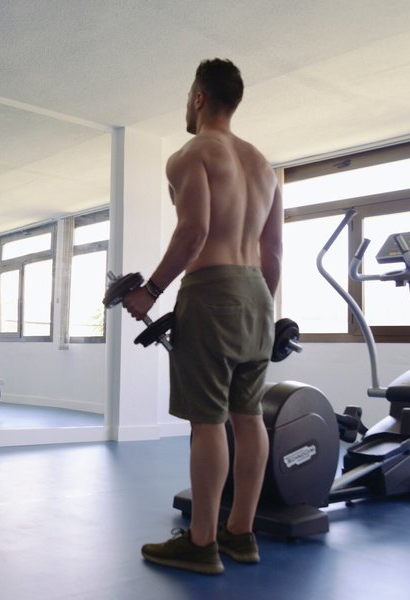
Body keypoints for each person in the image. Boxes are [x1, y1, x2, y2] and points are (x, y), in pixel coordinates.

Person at [123, 59, 282, 575]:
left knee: (208, 420)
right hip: (258, 295)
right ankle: (242, 534)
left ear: (198, 98)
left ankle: (201, 543)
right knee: (249, 416)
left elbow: (194, 231)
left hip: (212, 290)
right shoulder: (264, 166)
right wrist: (259, 307)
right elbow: (273, 252)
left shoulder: (191, 154)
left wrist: (151, 291)